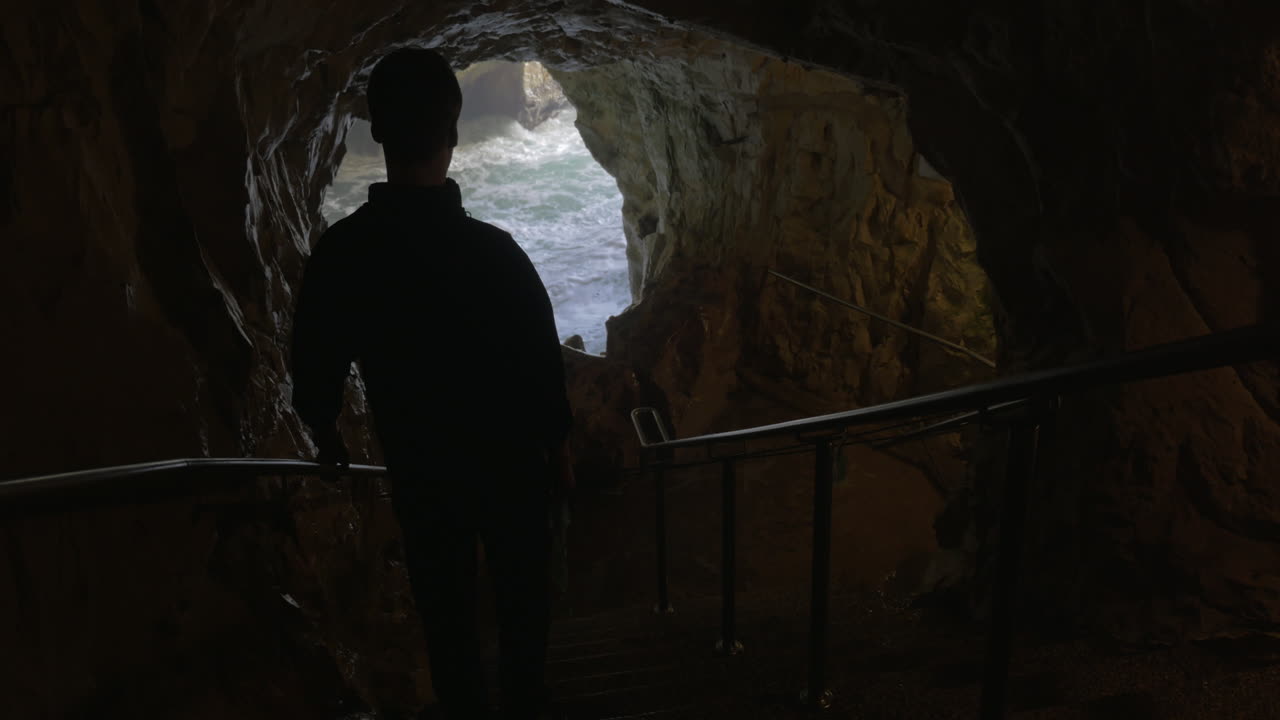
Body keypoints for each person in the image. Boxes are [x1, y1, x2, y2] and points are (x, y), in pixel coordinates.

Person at [290, 47, 575, 720]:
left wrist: (325, 428)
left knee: (448, 621)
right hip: (511, 471)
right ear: (451, 134)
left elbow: (316, 358)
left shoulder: (346, 256)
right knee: (522, 607)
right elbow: (540, 361)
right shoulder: (496, 253)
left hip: (423, 473)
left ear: (377, 130)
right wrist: (557, 444)